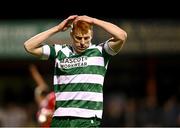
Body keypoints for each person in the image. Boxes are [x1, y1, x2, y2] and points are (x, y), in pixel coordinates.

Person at [24, 15, 127, 127]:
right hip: (60, 120)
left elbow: (122, 36)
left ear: (91, 35)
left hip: (87, 119)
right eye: (78, 38)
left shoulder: (101, 52)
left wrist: (94, 21)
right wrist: (57, 28)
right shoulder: (60, 52)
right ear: (71, 35)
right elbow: (29, 46)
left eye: (86, 38)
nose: (82, 42)